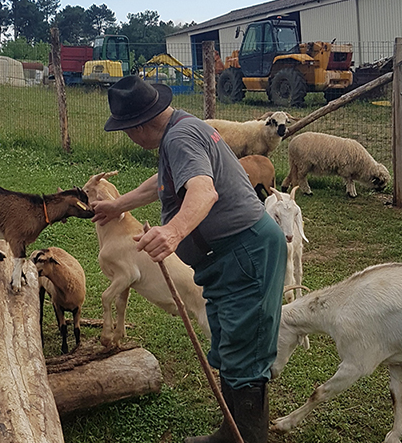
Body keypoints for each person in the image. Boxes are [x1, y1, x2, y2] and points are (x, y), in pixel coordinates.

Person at [92, 75, 287, 443]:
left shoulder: (180, 137)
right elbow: (164, 181)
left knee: (244, 352)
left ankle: (246, 438)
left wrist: (173, 231)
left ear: (140, 125)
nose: (130, 139)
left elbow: (202, 189)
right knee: (230, 343)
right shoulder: (185, 126)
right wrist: (119, 204)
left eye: (128, 131)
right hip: (236, 252)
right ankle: (232, 433)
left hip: (245, 253)